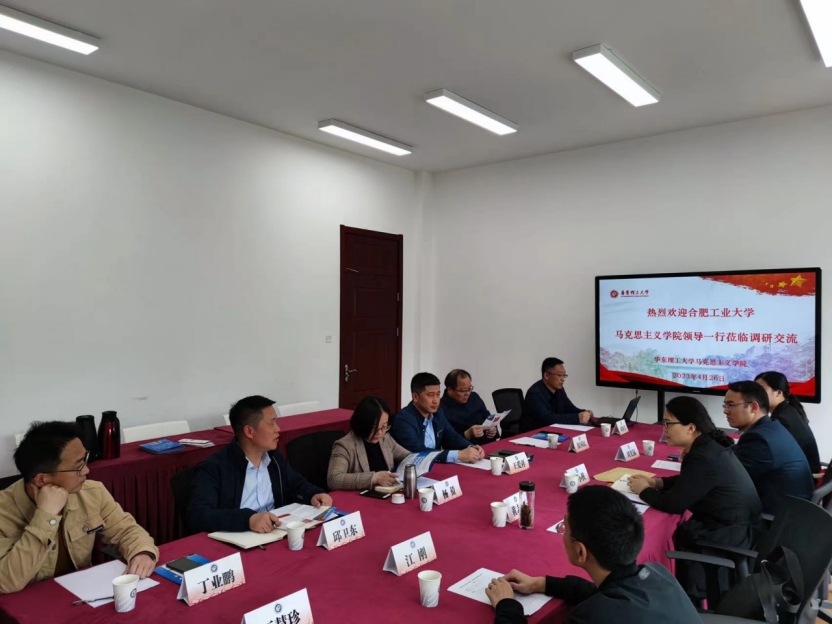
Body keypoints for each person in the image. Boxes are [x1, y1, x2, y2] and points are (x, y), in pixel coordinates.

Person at [485, 486, 700, 624]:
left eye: (564, 529)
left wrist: (507, 605)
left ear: (581, 551)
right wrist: (541, 584)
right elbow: (605, 593)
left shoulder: (592, 617)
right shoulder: (657, 573)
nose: (563, 534)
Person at [0, 421, 159, 594]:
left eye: (85, 460)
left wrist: (142, 553)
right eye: (77, 467)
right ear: (41, 480)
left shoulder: (92, 492)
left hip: (83, 593)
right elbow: (6, 582)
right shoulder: (4, 512)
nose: (86, 471)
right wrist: (46, 516)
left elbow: (126, 531)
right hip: (27, 603)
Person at [629, 396, 761, 596]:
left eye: (668, 424)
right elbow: (691, 480)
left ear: (691, 428)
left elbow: (674, 504)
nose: (664, 430)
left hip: (729, 535)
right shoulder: (707, 446)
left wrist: (643, 490)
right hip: (738, 526)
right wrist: (658, 482)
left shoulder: (702, 456)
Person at [188, 395, 332, 534]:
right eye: (271, 423)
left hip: (274, 532)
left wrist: (313, 494)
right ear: (249, 431)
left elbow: (296, 484)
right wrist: (248, 520)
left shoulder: (274, 458)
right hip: (238, 537)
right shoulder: (214, 468)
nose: (278, 429)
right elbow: (199, 515)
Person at [724, 381, 814, 515]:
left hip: (777, 517)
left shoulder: (758, 438)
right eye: (725, 405)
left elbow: (729, 477)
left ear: (753, 407)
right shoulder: (770, 426)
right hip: (793, 507)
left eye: (731, 405)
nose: (725, 411)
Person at [391, 373, 485, 464]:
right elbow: (419, 451)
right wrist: (458, 455)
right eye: (430, 395)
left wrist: (470, 447)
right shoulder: (403, 419)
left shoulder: (438, 413)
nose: (436, 400)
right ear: (415, 397)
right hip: (413, 468)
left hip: (435, 464)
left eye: (438, 394)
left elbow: (452, 437)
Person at [327, 396, 411, 491]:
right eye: (374, 428)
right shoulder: (345, 445)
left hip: (387, 492)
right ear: (363, 424)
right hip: (360, 496)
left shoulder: (385, 438)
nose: (380, 432)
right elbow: (333, 479)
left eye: (384, 427)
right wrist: (373, 478)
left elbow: (408, 457)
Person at [754, 371, 821, 473]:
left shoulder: (780, 419)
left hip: (803, 476)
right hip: (804, 472)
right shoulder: (788, 410)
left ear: (779, 392)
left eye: (761, 390)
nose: (755, 395)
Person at [520, 358, 593, 432]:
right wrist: (577, 418)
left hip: (552, 432)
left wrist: (585, 413)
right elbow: (547, 418)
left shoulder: (559, 390)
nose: (563, 379)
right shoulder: (534, 394)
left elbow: (570, 408)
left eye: (564, 375)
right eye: (560, 375)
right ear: (546, 375)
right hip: (533, 434)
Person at [440, 369, 498, 446]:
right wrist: (467, 434)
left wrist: (493, 429)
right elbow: (446, 441)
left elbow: (488, 416)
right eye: (463, 390)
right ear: (450, 390)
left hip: (488, 443)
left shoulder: (474, 397)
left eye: (469, 389)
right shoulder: (441, 408)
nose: (467, 393)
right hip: (465, 449)